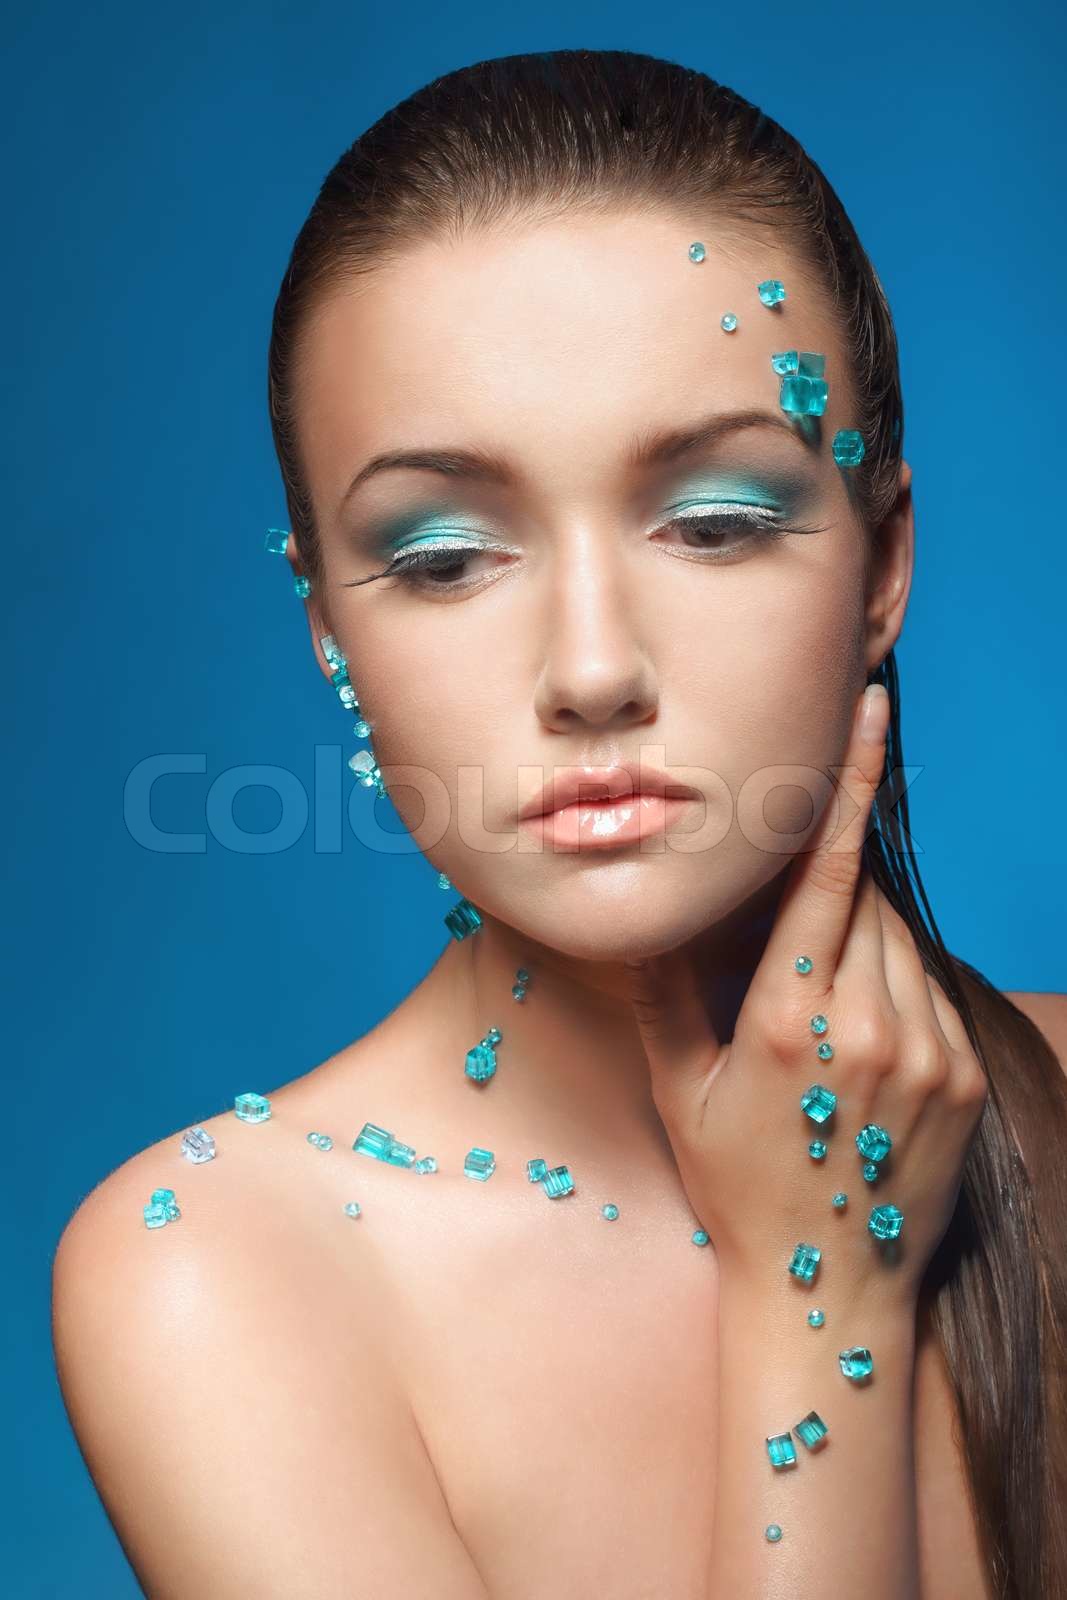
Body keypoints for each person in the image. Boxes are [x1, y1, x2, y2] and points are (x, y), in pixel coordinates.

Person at [52, 49, 1067, 1599]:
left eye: (716, 522)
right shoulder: (219, 1275)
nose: (592, 671)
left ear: (883, 568)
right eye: (444, 556)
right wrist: (824, 1314)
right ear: (329, 626)